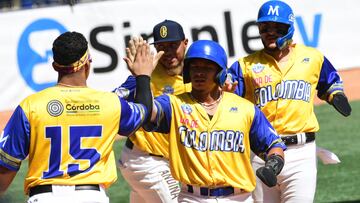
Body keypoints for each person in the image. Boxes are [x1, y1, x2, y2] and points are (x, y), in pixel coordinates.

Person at [0, 31, 160, 203]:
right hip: (90, 197)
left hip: (44, 197)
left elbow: (6, 168)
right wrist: (142, 76)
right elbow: (144, 110)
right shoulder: (109, 104)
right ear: (88, 62)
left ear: (55, 66)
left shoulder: (30, 106)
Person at [126, 39, 287, 203]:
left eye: (207, 68)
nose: (199, 73)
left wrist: (273, 165)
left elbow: (273, 145)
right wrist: (142, 78)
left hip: (239, 198)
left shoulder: (245, 109)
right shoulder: (174, 105)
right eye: (195, 67)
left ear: (220, 73)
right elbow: (145, 116)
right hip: (192, 197)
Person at [227, 1, 352, 202]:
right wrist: (226, 89)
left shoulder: (312, 58)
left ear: (290, 28)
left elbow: (329, 81)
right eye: (265, 28)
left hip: (301, 154)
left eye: (278, 28)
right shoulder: (245, 66)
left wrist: (334, 95)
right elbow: (227, 98)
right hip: (261, 153)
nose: (271, 32)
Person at [115, 19, 190, 203]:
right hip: (146, 161)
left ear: (185, 43)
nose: (168, 52)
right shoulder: (146, 74)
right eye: (162, 46)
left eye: (173, 45)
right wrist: (137, 76)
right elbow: (115, 100)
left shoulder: (197, 73)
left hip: (167, 161)